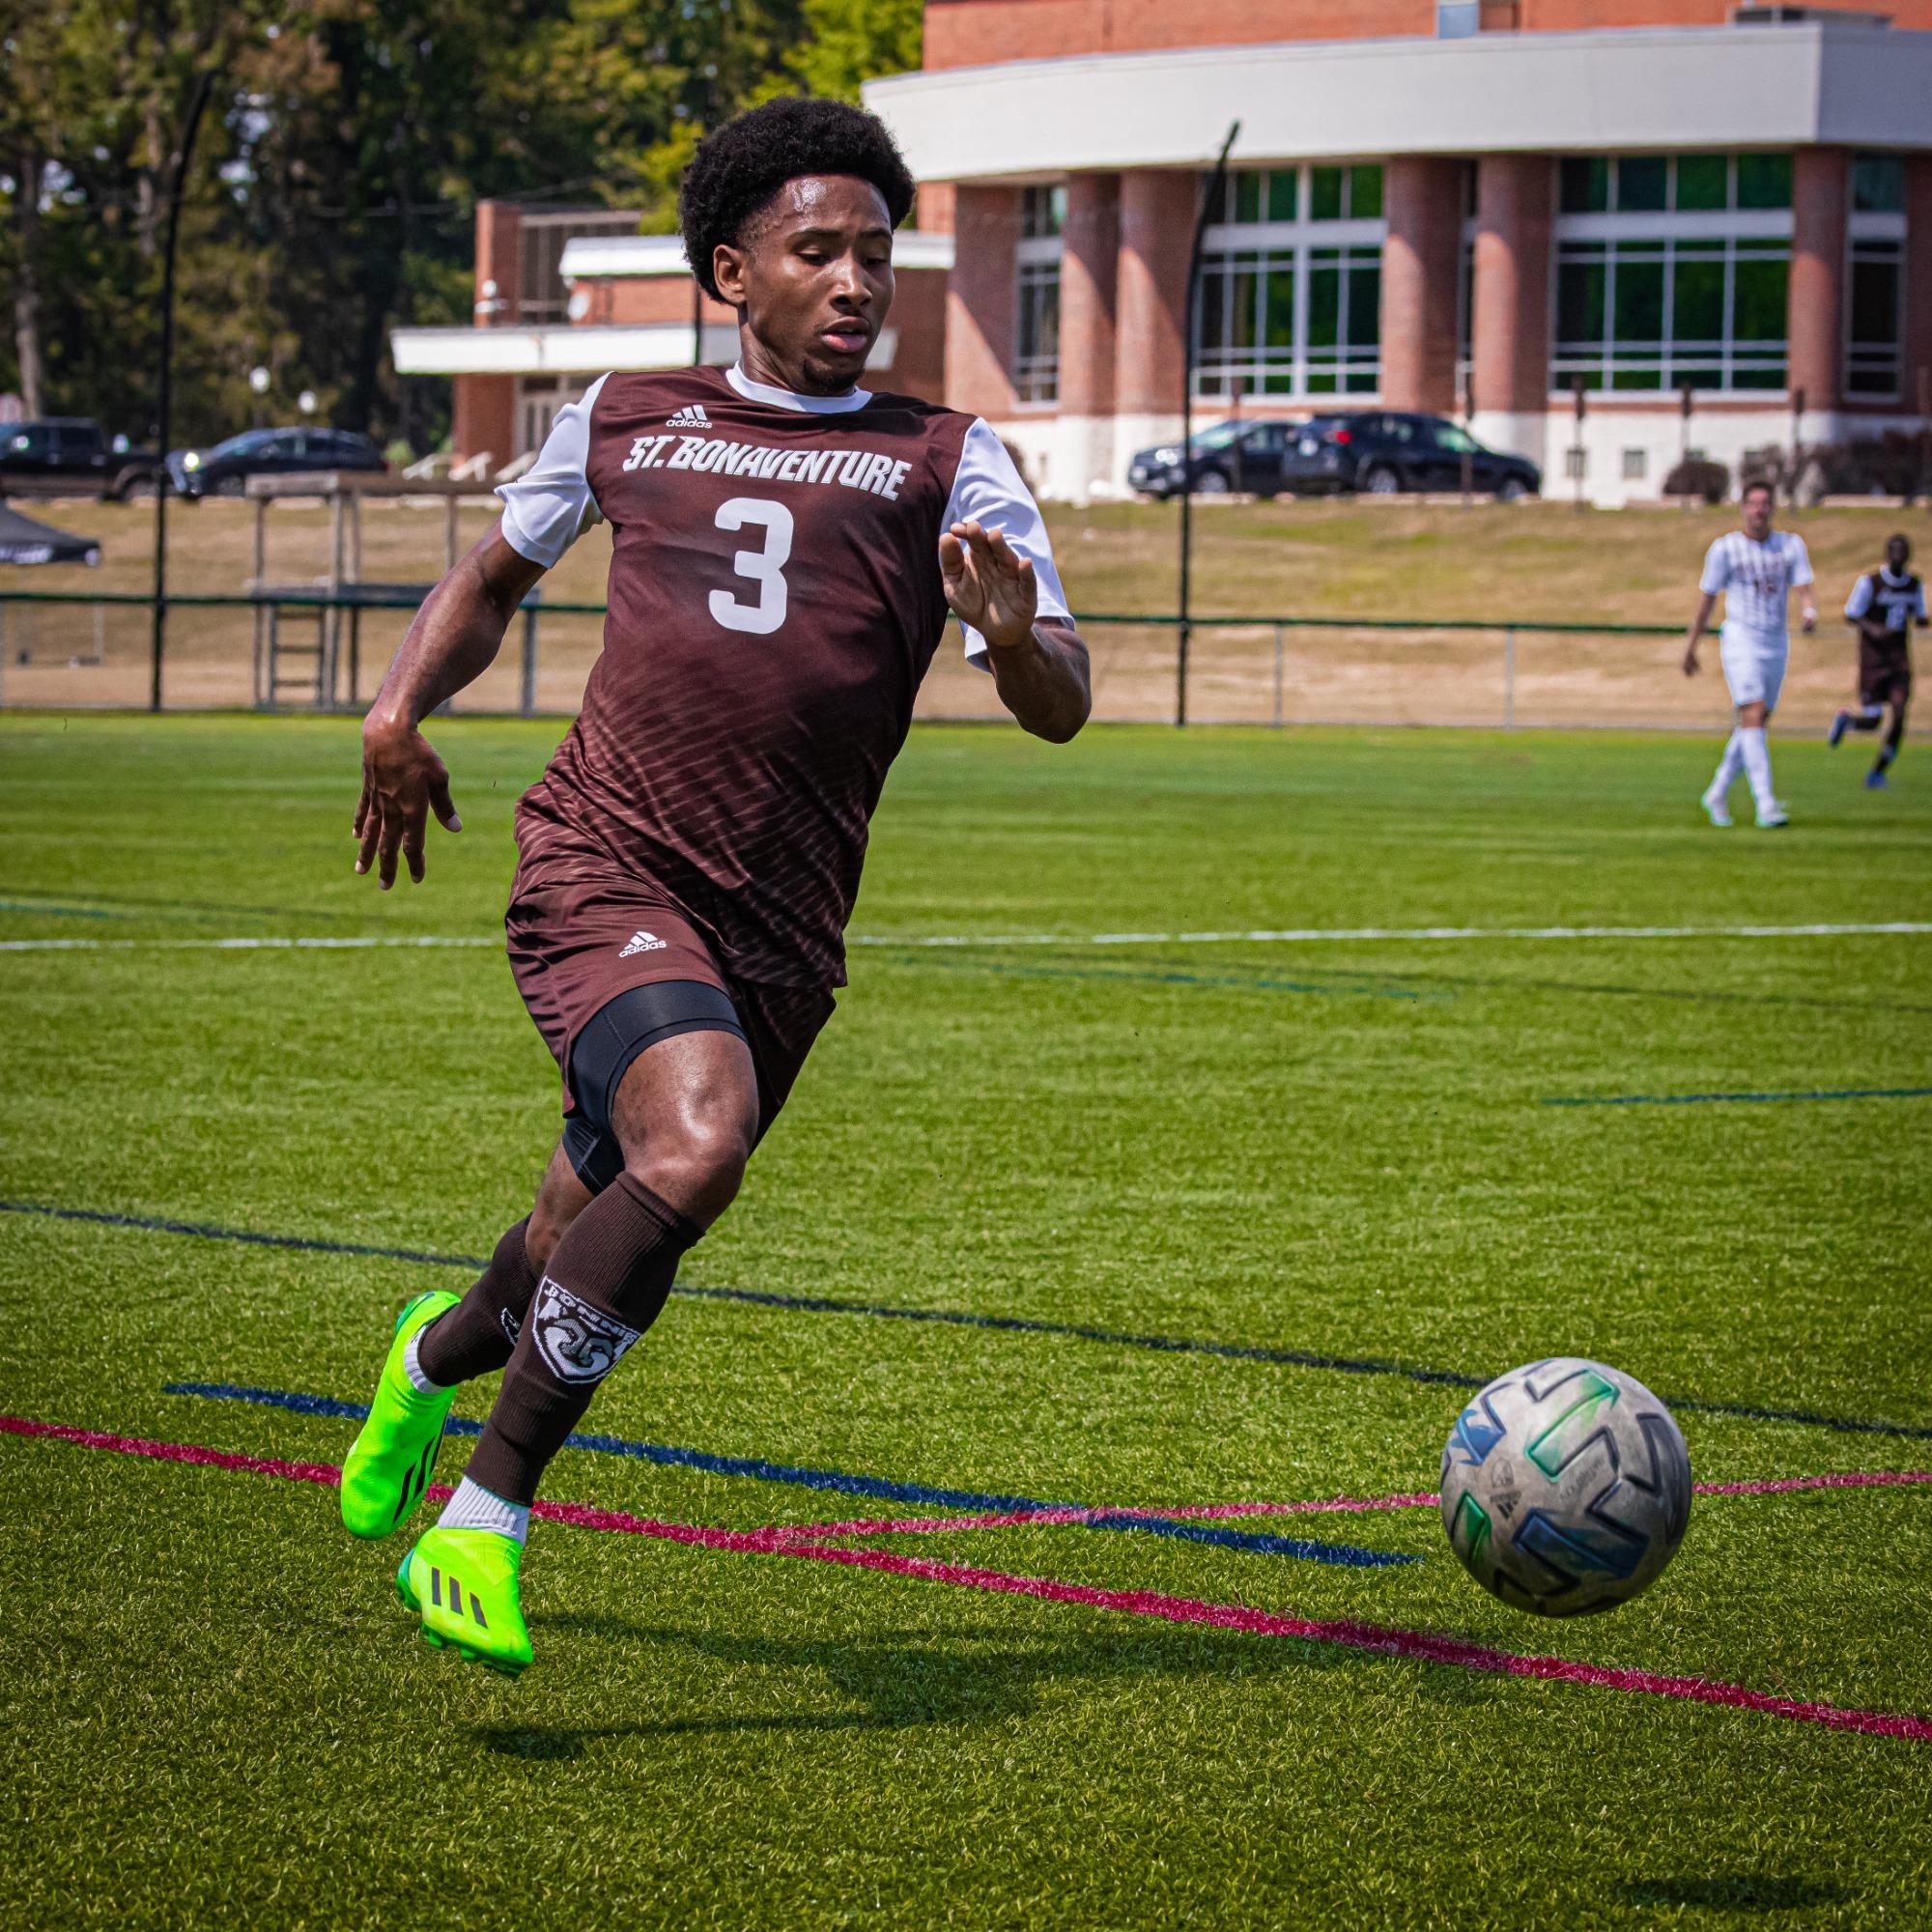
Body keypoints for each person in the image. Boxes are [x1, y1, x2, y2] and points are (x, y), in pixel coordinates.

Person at [336, 99, 1092, 1676]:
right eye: (817, 251)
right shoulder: (624, 415)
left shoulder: (948, 459)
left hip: (783, 933)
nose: (856, 281)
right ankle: (485, 1518)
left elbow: (1064, 703)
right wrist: (396, 712)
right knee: (696, 1143)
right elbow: (489, 579)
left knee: (582, 1225)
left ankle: (427, 1360)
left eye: (875, 254)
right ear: (731, 273)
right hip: (602, 859)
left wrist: (1016, 638)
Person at [1682, 479, 1816, 829]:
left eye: (1764, 503)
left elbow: (1803, 586)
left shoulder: (1789, 545)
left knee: (1756, 720)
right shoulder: (1725, 549)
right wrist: (1691, 646)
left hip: (1775, 641)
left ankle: (1717, 791)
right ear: (1742, 508)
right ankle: (1766, 804)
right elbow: (1706, 600)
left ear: (1773, 507)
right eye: (1753, 503)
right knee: (1752, 712)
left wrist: (1809, 611)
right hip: (1741, 639)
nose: (1759, 510)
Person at [1830, 531, 1923, 789]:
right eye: (1896, 551)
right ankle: (1847, 720)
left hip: (1899, 661)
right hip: (1873, 661)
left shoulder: (1915, 584)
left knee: (1900, 713)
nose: (1900, 556)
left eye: (1904, 551)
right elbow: (1851, 612)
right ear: (1887, 553)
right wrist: (1873, 629)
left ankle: (1877, 772)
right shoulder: (1870, 582)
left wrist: (1922, 619)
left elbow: (1920, 614)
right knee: (1872, 721)